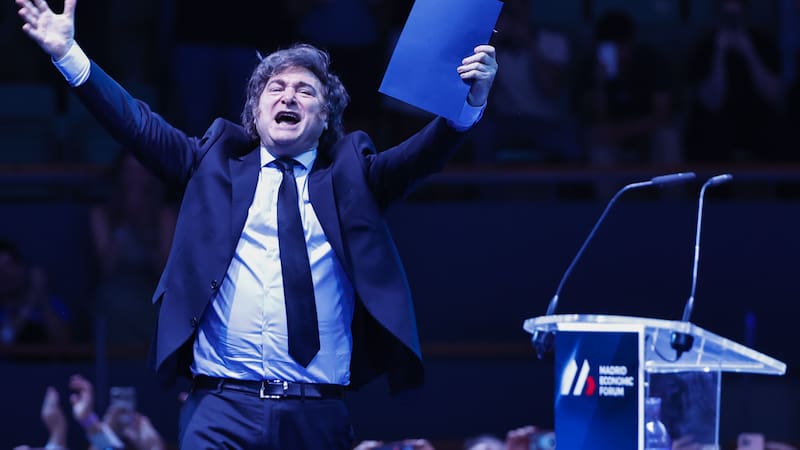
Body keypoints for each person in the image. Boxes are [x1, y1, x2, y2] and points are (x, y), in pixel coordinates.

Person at [15, 0, 497, 448]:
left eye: (305, 90)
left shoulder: (352, 175)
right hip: (221, 408)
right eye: (276, 88)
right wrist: (69, 55)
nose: (289, 96)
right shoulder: (211, 164)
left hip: (318, 409)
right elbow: (136, 124)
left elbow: (422, 157)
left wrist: (469, 104)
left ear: (324, 116)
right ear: (256, 111)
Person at [89, 152, 176, 347]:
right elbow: (106, 269)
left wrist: (145, 228)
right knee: (109, 301)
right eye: (129, 170)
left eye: (140, 170)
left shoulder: (164, 214)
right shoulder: (101, 213)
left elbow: (164, 271)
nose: (135, 178)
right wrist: (123, 223)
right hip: (116, 290)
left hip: (151, 290)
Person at [683, 0, 786, 162]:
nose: (732, 23)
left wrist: (750, 53)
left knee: (778, 132)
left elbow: (774, 95)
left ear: (745, 14)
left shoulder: (763, 43)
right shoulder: (705, 46)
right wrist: (719, 53)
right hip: (716, 127)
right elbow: (712, 101)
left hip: (758, 123)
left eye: (736, 18)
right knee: (709, 131)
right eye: (727, 18)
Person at [572, 9, 676, 166]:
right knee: (598, 143)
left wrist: (621, 131)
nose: (617, 53)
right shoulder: (590, 67)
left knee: (667, 137)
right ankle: (608, 185)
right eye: (609, 48)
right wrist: (599, 84)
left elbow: (663, 115)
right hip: (613, 138)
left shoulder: (651, 61)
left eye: (621, 46)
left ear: (631, 44)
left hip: (646, 133)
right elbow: (598, 120)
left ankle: (674, 184)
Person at [0, 239, 71, 345]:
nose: (6, 274)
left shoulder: (54, 304)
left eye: (10, 265)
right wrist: (30, 301)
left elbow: (64, 343)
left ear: (23, 267)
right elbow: (4, 340)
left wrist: (41, 297)